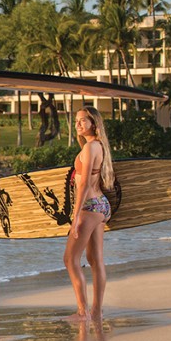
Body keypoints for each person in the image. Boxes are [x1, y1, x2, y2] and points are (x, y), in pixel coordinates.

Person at [63, 106, 115, 322]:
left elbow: (83, 184)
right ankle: (97, 311)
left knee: (70, 259)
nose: (78, 124)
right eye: (76, 120)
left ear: (94, 123)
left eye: (83, 120)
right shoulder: (99, 146)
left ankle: (83, 311)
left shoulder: (89, 148)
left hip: (90, 206)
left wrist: (75, 218)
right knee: (95, 259)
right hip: (102, 206)